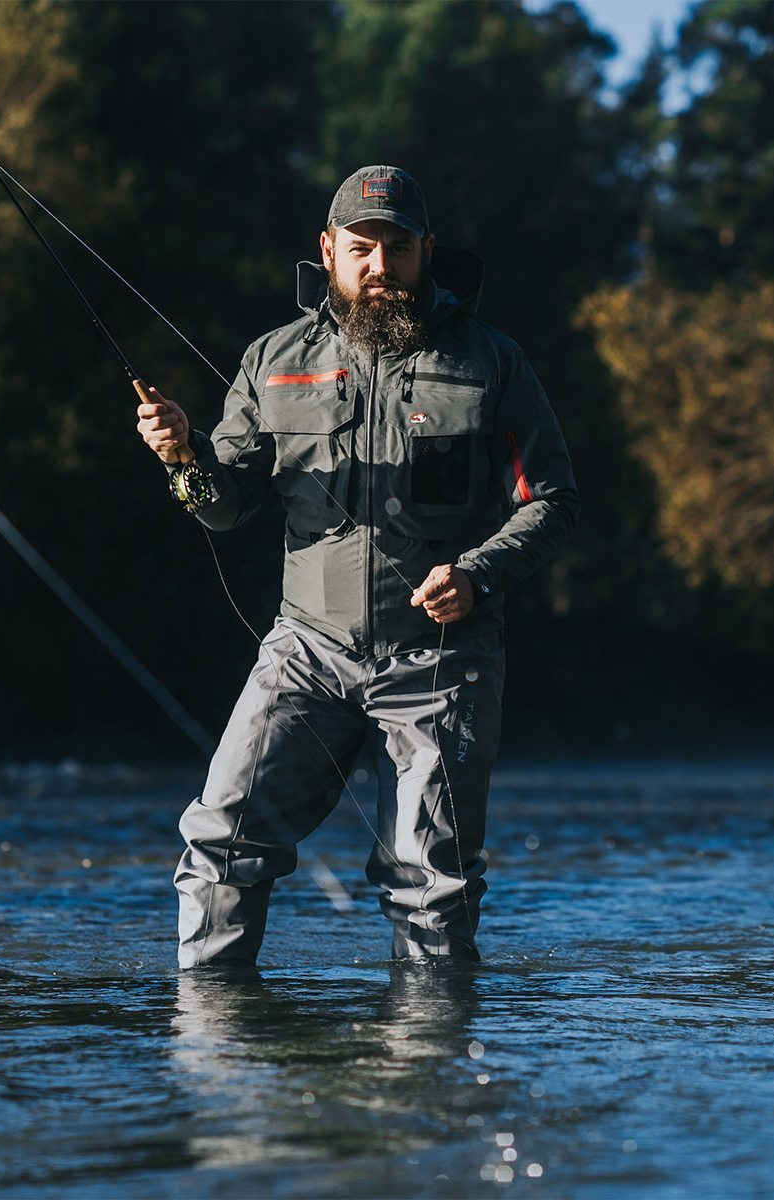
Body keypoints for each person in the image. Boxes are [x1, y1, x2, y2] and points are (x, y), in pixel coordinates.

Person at [137, 165, 579, 969]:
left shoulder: (493, 362)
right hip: (305, 653)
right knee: (219, 847)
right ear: (328, 250)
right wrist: (183, 458)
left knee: (431, 888)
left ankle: (427, 1045)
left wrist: (477, 575)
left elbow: (550, 503)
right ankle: (216, 1045)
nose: (381, 266)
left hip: (441, 661)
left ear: (427, 252)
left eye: (398, 248)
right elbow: (224, 504)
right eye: (363, 248)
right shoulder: (273, 360)